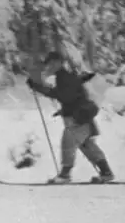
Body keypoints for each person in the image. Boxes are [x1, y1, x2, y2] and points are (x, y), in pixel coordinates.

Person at [26, 52, 115, 184]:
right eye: (49, 64)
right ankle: (106, 173)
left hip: (78, 118)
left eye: (51, 63)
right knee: (87, 146)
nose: (49, 67)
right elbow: (73, 98)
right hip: (82, 117)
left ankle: (65, 175)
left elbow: (65, 96)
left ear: (59, 63)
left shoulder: (65, 77)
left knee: (68, 142)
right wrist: (63, 110)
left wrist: (39, 87)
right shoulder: (64, 77)